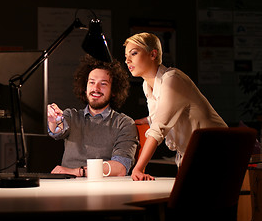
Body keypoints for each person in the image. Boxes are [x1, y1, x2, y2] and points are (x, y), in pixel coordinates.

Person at [123, 32, 227, 181]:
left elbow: (159, 127)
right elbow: (157, 116)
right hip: (194, 156)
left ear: (153, 54)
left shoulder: (172, 79)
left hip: (216, 152)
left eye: (133, 53)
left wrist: (138, 168)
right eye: (126, 55)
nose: (127, 60)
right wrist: (140, 121)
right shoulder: (147, 85)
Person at [48, 54, 138, 177]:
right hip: (67, 187)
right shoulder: (71, 116)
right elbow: (57, 130)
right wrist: (53, 120)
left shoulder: (125, 123)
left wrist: (79, 172)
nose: (96, 88)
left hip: (104, 190)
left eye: (103, 84)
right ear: (85, 88)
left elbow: (120, 167)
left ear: (114, 91)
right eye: (91, 82)